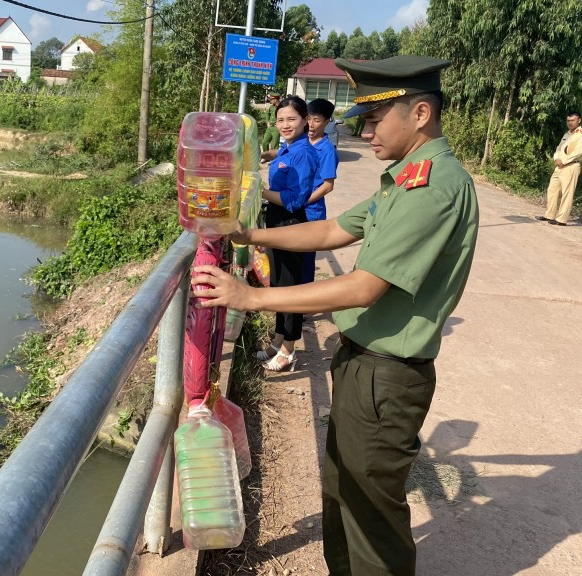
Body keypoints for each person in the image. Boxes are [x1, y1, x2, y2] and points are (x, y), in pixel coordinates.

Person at [193, 55, 479, 575]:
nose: (365, 133)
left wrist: (252, 298)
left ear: (419, 113)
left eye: (373, 120)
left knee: (370, 519)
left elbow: (364, 286)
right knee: (342, 495)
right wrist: (248, 235)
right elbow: (330, 232)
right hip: (362, 365)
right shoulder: (404, 179)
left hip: (386, 375)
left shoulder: (433, 187)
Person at [254, 94, 319, 372]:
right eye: (280, 119)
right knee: (280, 284)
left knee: (290, 288)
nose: (285, 124)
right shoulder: (287, 149)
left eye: (291, 118)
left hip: (292, 223)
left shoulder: (303, 153)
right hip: (278, 220)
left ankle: (289, 349)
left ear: (305, 120)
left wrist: (258, 190)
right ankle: (279, 339)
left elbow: (295, 199)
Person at [301, 98, 340, 286]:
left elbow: (327, 185)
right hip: (294, 206)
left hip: (311, 211)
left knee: (306, 258)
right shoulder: (302, 141)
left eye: (316, 120)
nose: (310, 124)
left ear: (327, 122)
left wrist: (303, 201)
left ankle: (304, 301)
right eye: (308, 118)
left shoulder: (327, 150)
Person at [536, 110, 582, 226]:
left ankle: (561, 219)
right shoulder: (567, 134)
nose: (570, 123)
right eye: (568, 120)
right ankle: (549, 215)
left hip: (571, 166)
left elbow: (578, 151)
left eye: (573, 120)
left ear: (579, 121)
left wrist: (564, 161)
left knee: (567, 193)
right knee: (552, 190)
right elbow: (559, 148)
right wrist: (556, 158)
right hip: (559, 166)